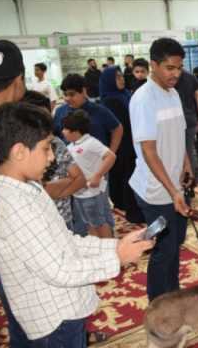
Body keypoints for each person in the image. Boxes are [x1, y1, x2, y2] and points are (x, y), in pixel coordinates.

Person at [0, 101, 152, 348]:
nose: (52, 158)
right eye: (46, 148)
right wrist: (118, 259)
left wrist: (113, 246)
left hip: (64, 312)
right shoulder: (16, 207)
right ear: (19, 152)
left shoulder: (29, 189)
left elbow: (66, 241)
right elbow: (59, 269)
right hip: (55, 320)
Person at [129, 37, 193, 301]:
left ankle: (173, 297)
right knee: (163, 249)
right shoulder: (144, 99)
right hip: (155, 191)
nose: (175, 74)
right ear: (153, 65)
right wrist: (172, 191)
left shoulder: (174, 92)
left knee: (175, 244)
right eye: (169, 68)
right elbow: (149, 151)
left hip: (174, 187)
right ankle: (159, 305)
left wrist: (187, 164)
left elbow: (180, 135)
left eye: (179, 68)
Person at [0, 39, 34, 348]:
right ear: (18, 79)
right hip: (7, 251)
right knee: (28, 329)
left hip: (1, 249)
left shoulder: (3, 120)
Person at [54, 73, 122, 235]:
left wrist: (110, 152)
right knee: (79, 211)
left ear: (83, 91)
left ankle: (107, 244)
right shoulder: (61, 111)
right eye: (65, 95)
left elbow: (117, 128)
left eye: (72, 94)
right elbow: (55, 135)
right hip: (72, 171)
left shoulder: (98, 110)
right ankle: (86, 243)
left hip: (97, 171)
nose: (68, 98)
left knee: (100, 210)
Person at [24, 90, 86, 231]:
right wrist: (65, 183)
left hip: (64, 221)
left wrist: (47, 191)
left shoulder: (56, 143)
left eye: (46, 117)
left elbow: (81, 179)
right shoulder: (16, 150)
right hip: (36, 227)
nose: (43, 124)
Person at [98, 66, 144, 223]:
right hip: (124, 145)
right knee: (128, 177)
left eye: (121, 76)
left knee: (130, 175)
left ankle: (129, 206)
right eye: (117, 77)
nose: (122, 79)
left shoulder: (124, 95)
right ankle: (133, 211)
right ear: (110, 81)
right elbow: (122, 124)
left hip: (131, 142)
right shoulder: (111, 100)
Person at [62, 110, 116, 238]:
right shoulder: (70, 146)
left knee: (99, 223)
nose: (63, 131)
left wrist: (97, 176)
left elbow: (110, 156)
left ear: (75, 131)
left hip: (92, 193)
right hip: (79, 193)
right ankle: (98, 248)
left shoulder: (90, 143)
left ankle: (108, 249)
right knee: (90, 223)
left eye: (65, 129)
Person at [175, 69, 198, 183]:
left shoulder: (166, 77)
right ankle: (191, 181)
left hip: (175, 121)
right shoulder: (190, 76)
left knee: (179, 153)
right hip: (190, 119)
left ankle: (186, 181)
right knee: (189, 151)